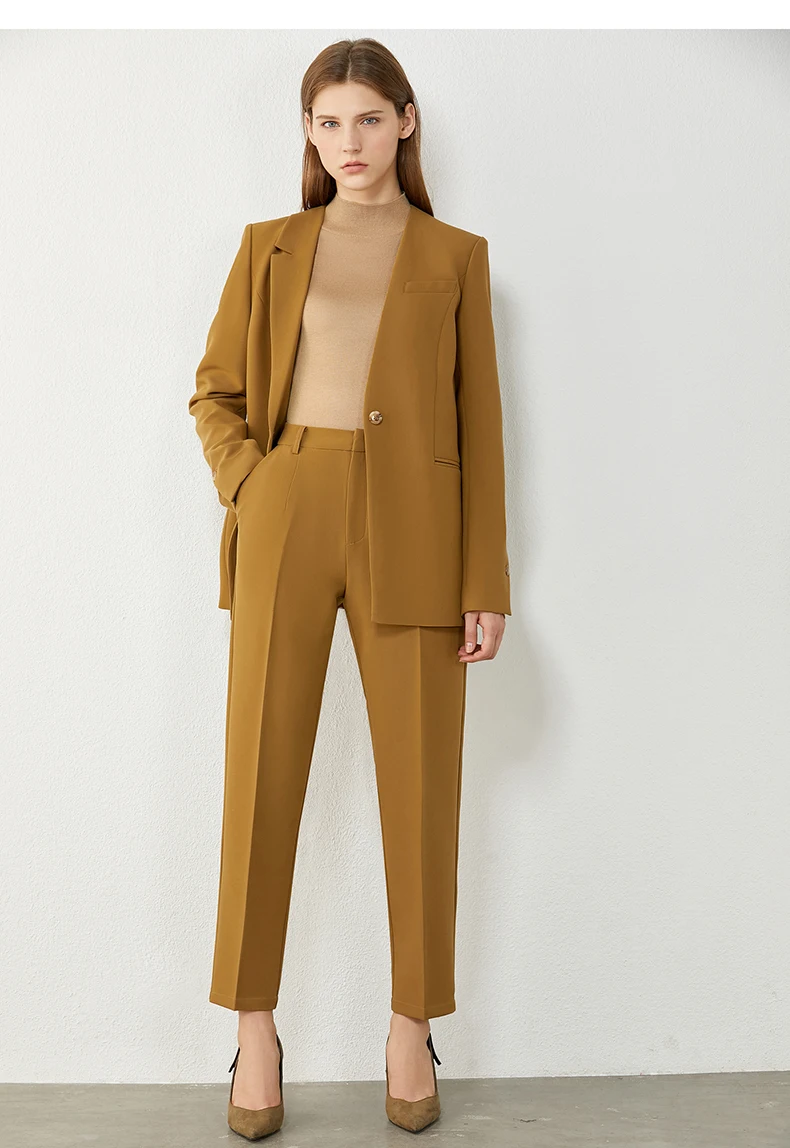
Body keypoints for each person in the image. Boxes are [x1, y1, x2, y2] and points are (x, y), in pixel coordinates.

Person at [188, 36, 511, 1140]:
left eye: (367, 119)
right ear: (309, 134)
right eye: (327, 122)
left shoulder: (455, 257)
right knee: (260, 772)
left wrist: (483, 577)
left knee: (421, 783)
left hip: (414, 530)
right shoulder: (269, 247)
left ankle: (412, 1025)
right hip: (289, 510)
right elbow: (215, 391)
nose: (348, 142)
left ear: (405, 122)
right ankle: (255, 1029)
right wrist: (255, 483)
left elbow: (481, 428)